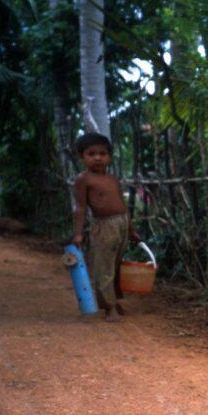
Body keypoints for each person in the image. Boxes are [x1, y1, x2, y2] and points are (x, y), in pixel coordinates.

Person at [72, 132, 139, 322]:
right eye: (91, 154)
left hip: (121, 223)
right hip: (103, 226)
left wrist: (131, 228)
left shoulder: (112, 179)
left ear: (109, 155)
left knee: (116, 266)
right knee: (104, 267)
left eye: (102, 153)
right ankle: (108, 307)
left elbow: (123, 206)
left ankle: (115, 301)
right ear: (82, 156)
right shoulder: (83, 179)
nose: (97, 158)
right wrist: (78, 234)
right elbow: (80, 207)